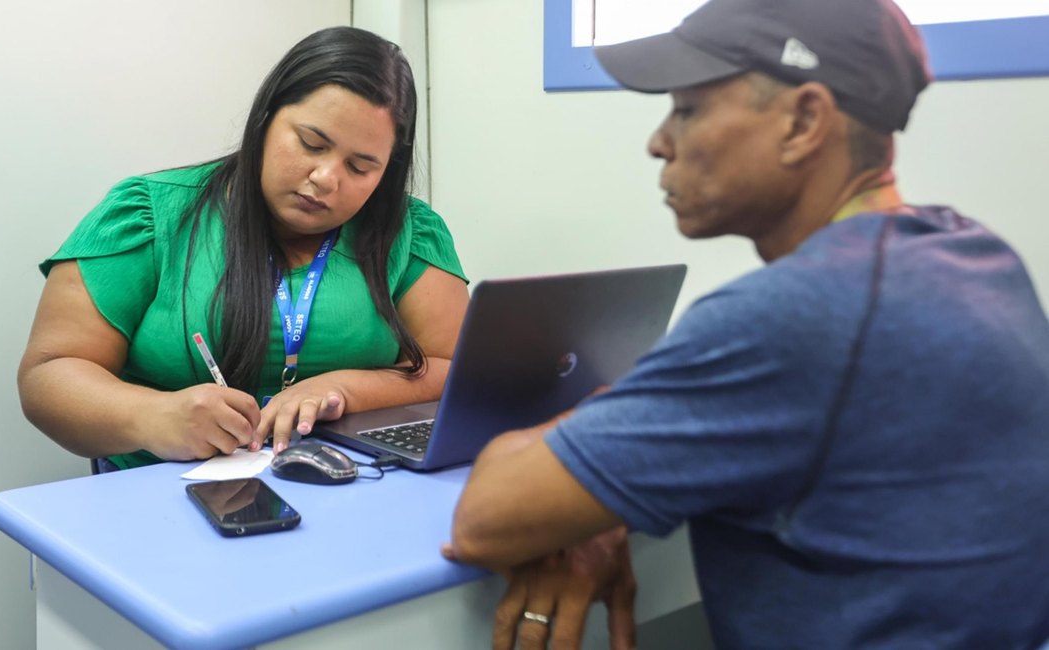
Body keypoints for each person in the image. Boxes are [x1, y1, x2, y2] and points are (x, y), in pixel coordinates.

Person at [446, 0, 1049, 648]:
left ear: (804, 121)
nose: (659, 142)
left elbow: (486, 517)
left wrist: (601, 442)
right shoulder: (974, 254)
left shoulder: (797, 314)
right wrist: (611, 478)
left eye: (688, 109)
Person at [18, 26, 469, 471]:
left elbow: (455, 367)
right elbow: (49, 375)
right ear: (265, 117)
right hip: (155, 496)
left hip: (352, 490)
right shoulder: (150, 214)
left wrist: (345, 388)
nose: (327, 179)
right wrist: (152, 417)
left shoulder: (409, 231)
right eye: (311, 143)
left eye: (360, 167)